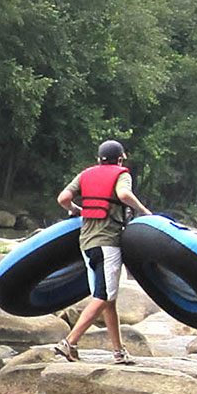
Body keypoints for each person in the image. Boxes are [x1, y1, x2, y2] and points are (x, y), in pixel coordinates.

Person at [53, 139, 151, 364]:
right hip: (108, 243)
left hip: (87, 243)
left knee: (108, 299)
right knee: (104, 296)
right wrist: (144, 211)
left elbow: (63, 199)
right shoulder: (121, 174)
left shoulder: (85, 174)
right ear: (120, 159)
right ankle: (69, 342)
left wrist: (77, 210)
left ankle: (118, 351)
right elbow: (124, 195)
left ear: (98, 159)